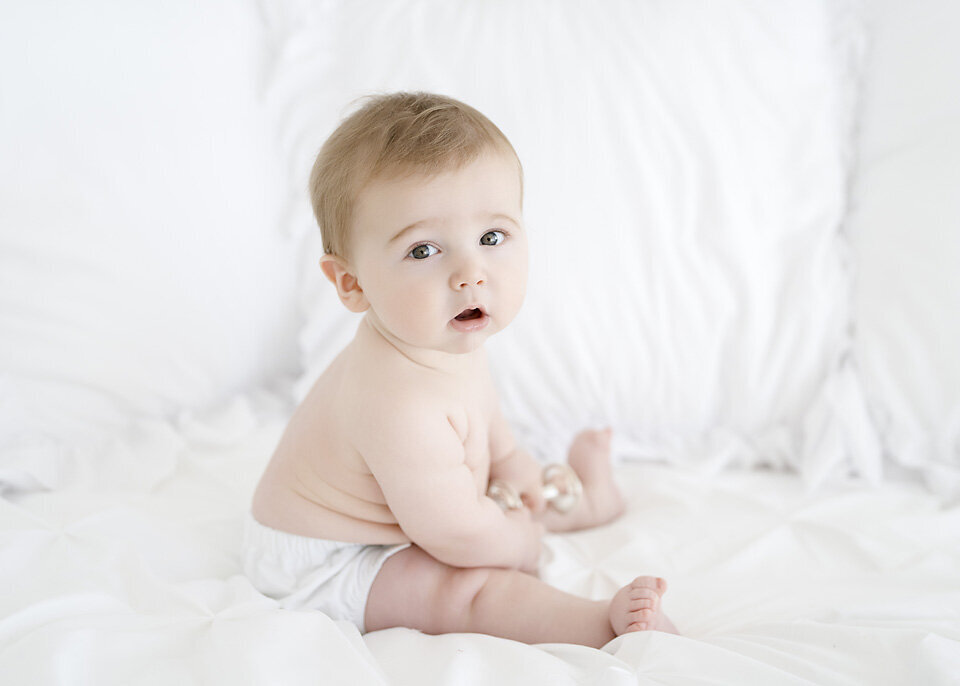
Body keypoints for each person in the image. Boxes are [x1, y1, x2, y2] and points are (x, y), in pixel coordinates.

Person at [244, 91, 677, 648]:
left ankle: (592, 499)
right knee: (467, 592)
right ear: (351, 283)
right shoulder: (394, 402)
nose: (470, 273)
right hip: (330, 558)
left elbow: (486, 425)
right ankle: (597, 623)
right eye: (424, 251)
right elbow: (456, 536)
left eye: (491, 238)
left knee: (517, 491)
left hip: (429, 508)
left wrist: (513, 466)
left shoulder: (442, 336)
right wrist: (518, 545)